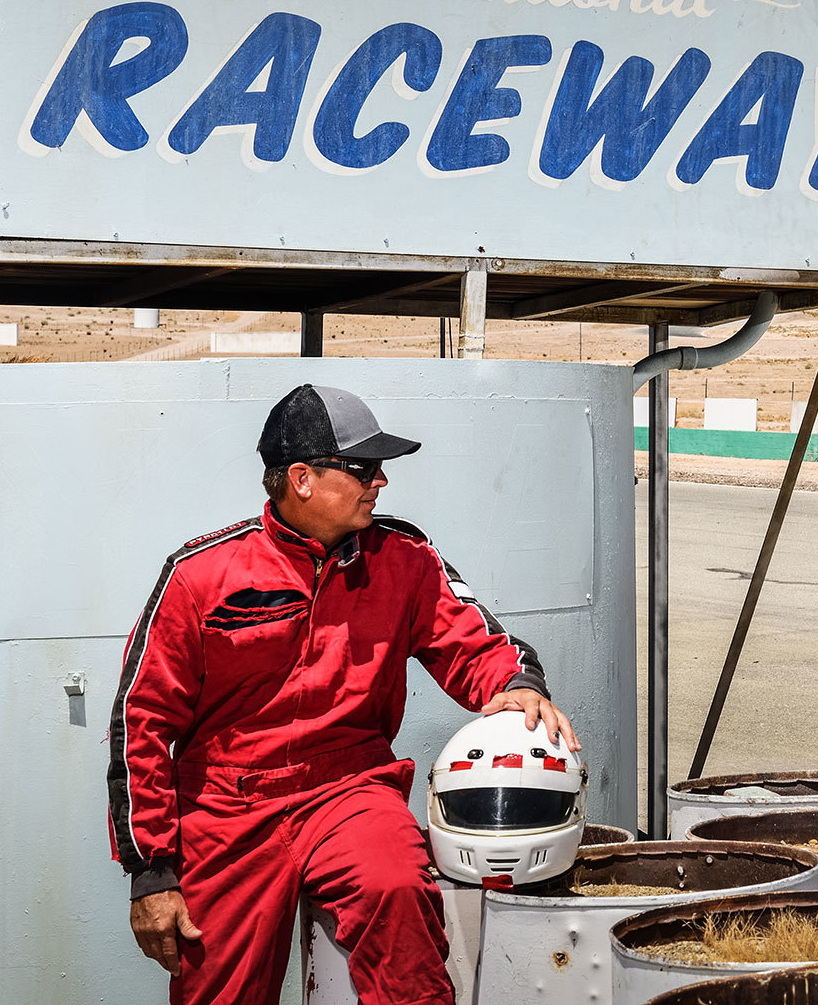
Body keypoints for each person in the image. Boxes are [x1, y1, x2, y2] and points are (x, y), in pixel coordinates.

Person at [107, 383, 578, 1005]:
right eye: (363, 468)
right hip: (225, 807)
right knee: (217, 986)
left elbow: (470, 640)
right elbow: (140, 722)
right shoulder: (200, 576)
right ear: (301, 478)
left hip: (349, 789)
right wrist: (152, 871)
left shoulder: (404, 558)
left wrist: (515, 683)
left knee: (399, 897)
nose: (381, 481)